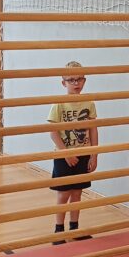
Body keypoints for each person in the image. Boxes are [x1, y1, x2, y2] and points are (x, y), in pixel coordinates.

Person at [47, 62, 98, 243]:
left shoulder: (89, 102)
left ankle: (74, 228)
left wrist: (94, 154)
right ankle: (59, 230)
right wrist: (66, 154)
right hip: (64, 157)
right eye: (71, 80)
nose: (76, 83)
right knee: (64, 194)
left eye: (79, 79)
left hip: (83, 154)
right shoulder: (59, 104)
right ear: (64, 83)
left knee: (77, 192)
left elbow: (93, 129)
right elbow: (53, 132)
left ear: (84, 80)